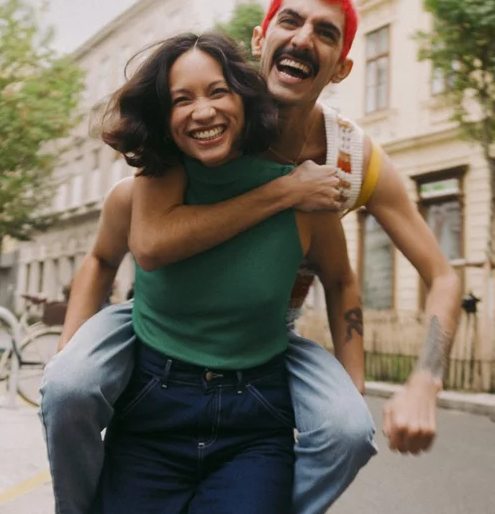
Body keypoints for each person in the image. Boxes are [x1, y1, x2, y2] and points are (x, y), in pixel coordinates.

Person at [41, 0, 460, 514]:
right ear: (261, 41)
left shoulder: (350, 161)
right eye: (291, 21)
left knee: (348, 431)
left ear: (341, 67)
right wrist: (285, 190)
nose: (304, 38)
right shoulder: (209, 123)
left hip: (266, 335)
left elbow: (428, 276)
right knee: (69, 386)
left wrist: (424, 378)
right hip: (163, 320)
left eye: (325, 33)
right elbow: (144, 242)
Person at [91, 30, 359, 512]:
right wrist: (71, 348)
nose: (204, 111)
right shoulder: (153, 184)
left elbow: (341, 281)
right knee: (67, 393)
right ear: (163, 116)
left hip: (254, 415)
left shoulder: (308, 195)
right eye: (181, 100)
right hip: (153, 404)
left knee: (351, 433)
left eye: (218, 92)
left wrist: (352, 386)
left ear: (245, 98)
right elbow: (136, 251)